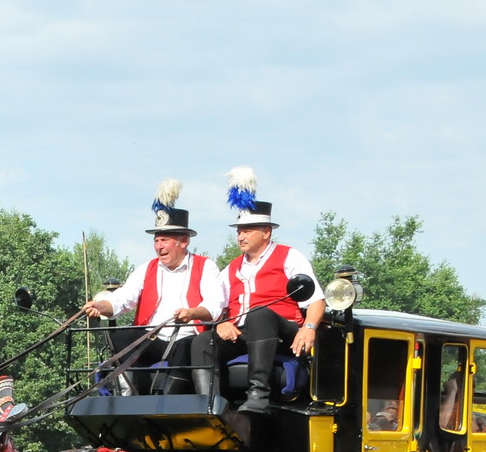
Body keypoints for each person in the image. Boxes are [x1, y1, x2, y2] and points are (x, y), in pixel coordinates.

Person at [188, 168, 326, 413]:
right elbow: (215, 305)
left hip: (283, 333)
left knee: (259, 314)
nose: (241, 235)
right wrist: (220, 323)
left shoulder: (289, 256)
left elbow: (316, 299)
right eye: (239, 230)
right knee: (202, 341)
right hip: (244, 334)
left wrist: (309, 327)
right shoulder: (231, 268)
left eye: (248, 230)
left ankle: (258, 395)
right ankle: (209, 406)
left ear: (266, 231)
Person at [81, 178, 226, 394]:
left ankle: (165, 401)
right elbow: (123, 298)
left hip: (187, 337)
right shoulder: (146, 269)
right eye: (156, 241)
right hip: (152, 338)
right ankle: (126, 397)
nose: (159, 246)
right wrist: (101, 305)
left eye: (164, 240)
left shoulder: (206, 267)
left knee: (187, 346)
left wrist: (192, 312)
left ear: (183, 241)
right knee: (121, 337)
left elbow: (215, 306)